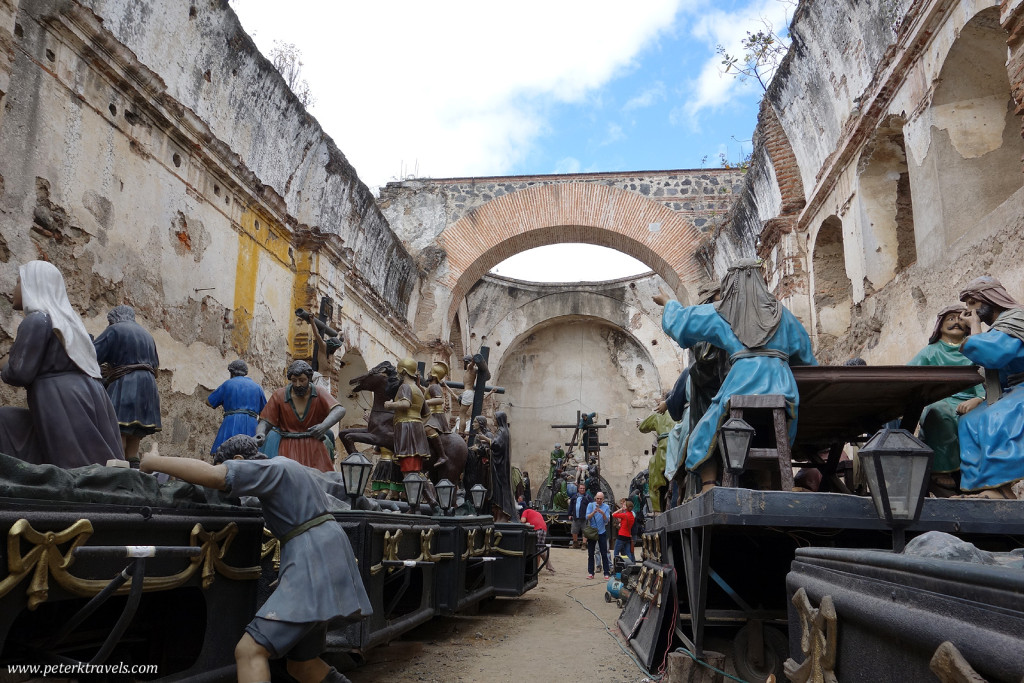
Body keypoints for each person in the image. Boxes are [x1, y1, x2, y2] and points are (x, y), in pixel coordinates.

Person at [140, 435, 370, 683]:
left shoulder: (271, 469)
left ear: (239, 460)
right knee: (302, 665)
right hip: (323, 555)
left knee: (249, 651)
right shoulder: (287, 468)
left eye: (231, 466)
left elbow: (214, 476)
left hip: (313, 558)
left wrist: (155, 461)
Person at [653, 259, 817, 493]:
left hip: (741, 382)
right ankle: (773, 483)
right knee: (772, 432)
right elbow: (806, 358)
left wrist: (669, 303)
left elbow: (681, 323)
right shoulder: (783, 314)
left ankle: (709, 486)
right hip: (782, 385)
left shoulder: (723, 313)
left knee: (704, 432)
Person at [0, 261, 122, 468]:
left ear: (34, 284)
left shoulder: (37, 320)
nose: (14, 289)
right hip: (89, 395)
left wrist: (4, 364)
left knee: (77, 467)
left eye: (20, 282)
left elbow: (19, 373)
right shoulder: (70, 323)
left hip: (60, 400)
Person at [956, 277, 1024, 499]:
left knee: (995, 417)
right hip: (1011, 391)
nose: (969, 311)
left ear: (989, 299)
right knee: (969, 421)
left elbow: (993, 354)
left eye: (972, 304)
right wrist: (980, 399)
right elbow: (989, 369)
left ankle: (999, 487)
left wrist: (974, 328)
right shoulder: (997, 328)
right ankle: (992, 487)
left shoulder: (1016, 319)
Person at [907, 305, 984, 496]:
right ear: (939, 325)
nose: (956, 322)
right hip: (940, 400)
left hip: (971, 399)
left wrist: (978, 398)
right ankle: (941, 469)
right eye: (950, 319)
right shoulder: (930, 352)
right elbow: (909, 377)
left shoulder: (972, 350)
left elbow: (984, 376)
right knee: (938, 412)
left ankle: (979, 474)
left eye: (960, 319)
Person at [92, 305, 162, 464]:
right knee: (134, 441)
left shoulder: (115, 330)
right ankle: (135, 470)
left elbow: (91, 356)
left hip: (126, 383)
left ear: (114, 319)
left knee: (118, 432)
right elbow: (156, 370)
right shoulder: (147, 335)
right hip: (148, 387)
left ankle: (118, 473)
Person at [255, 360, 345, 473]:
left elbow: (339, 409)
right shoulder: (279, 395)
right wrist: (261, 433)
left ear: (309, 378)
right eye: (294, 380)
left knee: (320, 479)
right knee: (289, 477)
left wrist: (324, 426)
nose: (298, 384)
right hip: (288, 445)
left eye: (302, 380)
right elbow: (265, 421)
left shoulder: (319, 392)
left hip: (313, 445)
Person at [383, 358, 430, 484]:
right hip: (416, 428)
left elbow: (406, 403)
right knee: (413, 470)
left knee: (409, 470)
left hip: (406, 428)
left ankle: (426, 500)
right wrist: (418, 425)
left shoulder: (405, 386)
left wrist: (389, 405)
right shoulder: (419, 390)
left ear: (403, 371)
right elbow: (427, 414)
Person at [207, 360, 268, 455]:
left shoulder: (228, 384)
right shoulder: (257, 387)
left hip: (230, 423)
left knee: (224, 454)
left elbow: (209, 402)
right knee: (252, 455)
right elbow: (265, 413)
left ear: (231, 372)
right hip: (251, 424)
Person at [637, 397, 676, 512]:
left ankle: (656, 509)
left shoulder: (659, 413)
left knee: (654, 472)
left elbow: (643, 427)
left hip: (666, 446)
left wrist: (641, 422)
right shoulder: (679, 411)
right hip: (679, 442)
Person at [298, 311, 342, 397]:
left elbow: (338, 338)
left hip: (327, 381)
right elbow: (317, 335)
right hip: (320, 379)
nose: (335, 350)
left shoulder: (332, 353)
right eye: (335, 348)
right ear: (331, 346)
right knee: (318, 400)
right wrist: (312, 321)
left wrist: (340, 334)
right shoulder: (323, 347)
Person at [488, 411, 517, 522]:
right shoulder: (503, 431)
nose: (494, 420)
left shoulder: (502, 431)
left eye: (495, 418)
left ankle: (502, 515)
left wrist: (486, 439)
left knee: (500, 490)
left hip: (500, 467)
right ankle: (498, 514)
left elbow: (497, 445)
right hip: (499, 465)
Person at [423, 361, 452, 470]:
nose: (428, 374)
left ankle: (442, 455)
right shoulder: (430, 386)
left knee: (428, 429)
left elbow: (440, 399)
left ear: (434, 375)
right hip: (430, 414)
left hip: (435, 415)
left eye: (430, 372)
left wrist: (426, 402)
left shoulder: (434, 386)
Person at [520, 506, 556, 574]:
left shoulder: (526, 511)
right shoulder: (537, 513)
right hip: (543, 529)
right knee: (541, 549)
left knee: (536, 551)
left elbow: (523, 521)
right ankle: (550, 567)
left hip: (537, 529)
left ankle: (535, 570)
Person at [585, 491, 612, 580]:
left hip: (602, 532)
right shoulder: (591, 505)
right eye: (597, 498)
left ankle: (606, 573)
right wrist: (594, 512)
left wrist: (602, 513)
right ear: (595, 498)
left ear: (603, 499)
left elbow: (607, 520)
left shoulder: (606, 507)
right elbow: (587, 517)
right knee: (591, 553)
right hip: (593, 532)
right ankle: (591, 573)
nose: (599, 500)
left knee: (604, 553)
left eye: (600, 499)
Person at [567, 483, 592, 549]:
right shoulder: (574, 497)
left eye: (583, 488)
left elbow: (592, 506)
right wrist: (569, 514)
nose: (582, 489)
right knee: (574, 531)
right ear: (578, 489)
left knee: (585, 531)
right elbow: (571, 506)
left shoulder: (588, 497)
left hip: (584, 518)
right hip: (575, 517)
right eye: (581, 488)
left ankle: (584, 544)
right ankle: (575, 543)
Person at [611, 499, 636, 563]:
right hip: (628, 535)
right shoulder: (632, 516)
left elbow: (613, 514)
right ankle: (630, 565)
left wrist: (620, 510)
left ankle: (616, 564)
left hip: (621, 535)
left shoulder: (624, 515)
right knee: (628, 553)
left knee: (616, 551)